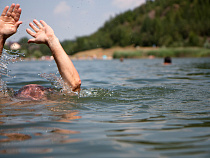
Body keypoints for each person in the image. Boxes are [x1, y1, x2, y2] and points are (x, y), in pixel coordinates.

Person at [0, 4, 81, 100]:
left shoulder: (8, 104)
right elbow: (74, 85)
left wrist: (1, 36)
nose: (34, 89)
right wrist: (52, 41)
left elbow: (75, 85)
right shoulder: (54, 106)